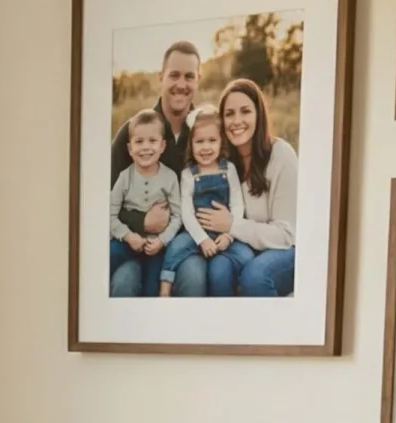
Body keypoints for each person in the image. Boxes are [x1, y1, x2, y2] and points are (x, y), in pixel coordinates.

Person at [189, 78, 297, 299]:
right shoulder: (223, 162)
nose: (237, 121)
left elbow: (285, 234)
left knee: (255, 275)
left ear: (259, 114)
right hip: (242, 246)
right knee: (218, 271)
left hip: (285, 249)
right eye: (229, 114)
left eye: (245, 111)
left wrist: (232, 224)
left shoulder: (281, 155)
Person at [109, 41, 200, 245]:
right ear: (161, 78)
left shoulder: (205, 134)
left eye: (189, 76)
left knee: (193, 275)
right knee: (124, 277)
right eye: (174, 75)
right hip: (136, 242)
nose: (181, 84)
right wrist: (142, 221)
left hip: (190, 240)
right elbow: (104, 201)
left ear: (198, 80)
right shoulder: (132, 133)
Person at [159, 106, 245, 298]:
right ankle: (165, 285)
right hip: (196, 233)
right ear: (191, 144)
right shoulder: (188, 174)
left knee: (246, 255)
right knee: (176, 247)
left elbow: (237, 204)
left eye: (212, 140)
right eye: (199, 142)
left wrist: (229, 234)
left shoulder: (228, 169)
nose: (206, 147)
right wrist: (202, 239)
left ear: (221, 142)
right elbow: (187, 213)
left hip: (225, 231)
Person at [108, 110, 180, 297]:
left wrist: (162, 241)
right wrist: (128, 236)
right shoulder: (125, 177)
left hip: (156, 247)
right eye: (139, 142)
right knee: (107, 256)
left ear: (163, 145)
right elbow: (110, 214)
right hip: (126, 241)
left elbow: (177, 216)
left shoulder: (170, 177)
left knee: (151, 290)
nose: (145, 147)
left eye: (152, 141)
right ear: (130, 148)